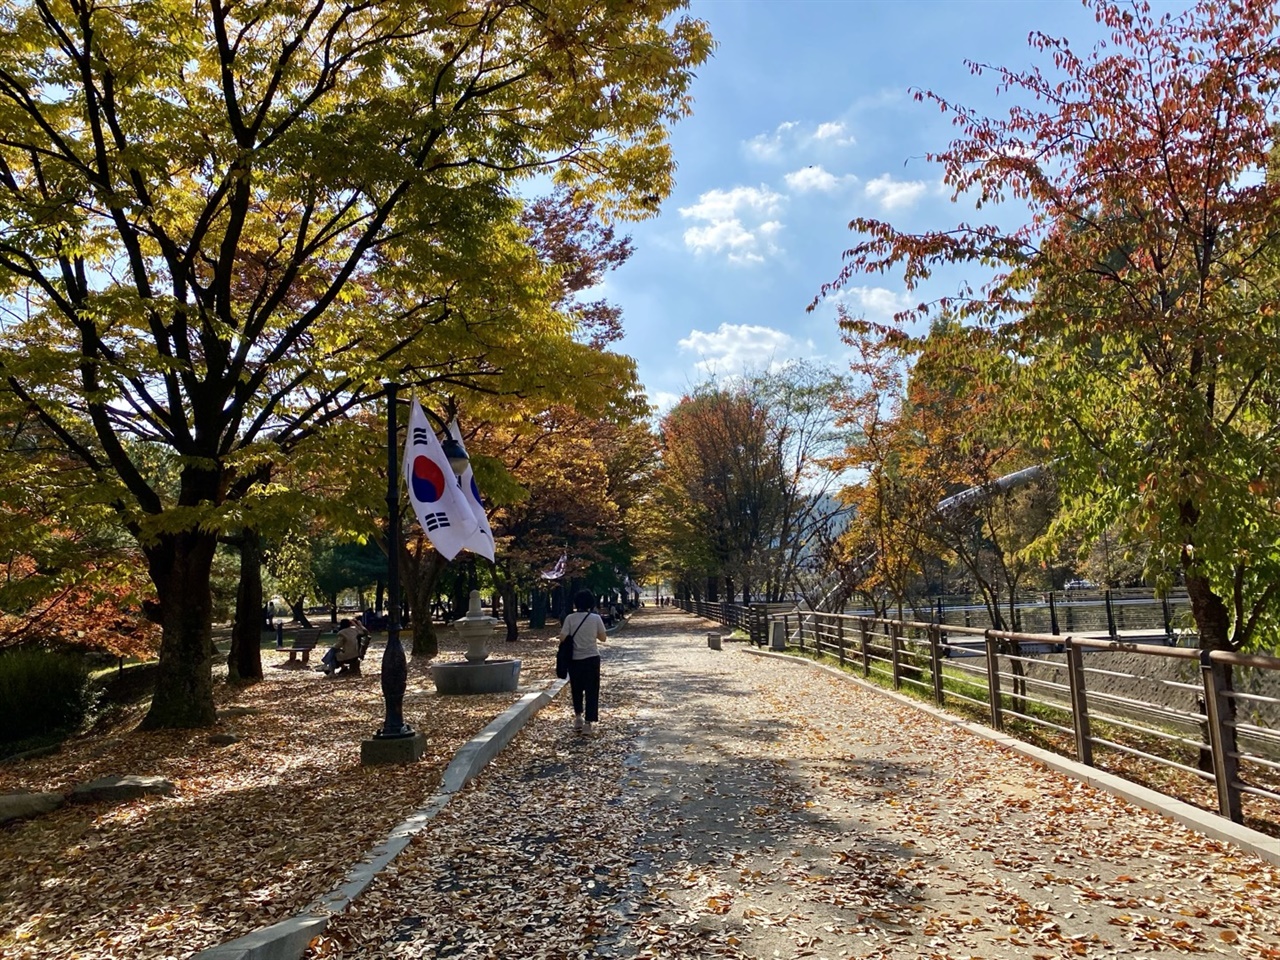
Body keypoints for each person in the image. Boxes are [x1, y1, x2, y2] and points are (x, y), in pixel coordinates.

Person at [559, 588, 608, 736]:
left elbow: (562, 637)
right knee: (592, 690)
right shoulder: (595, 618)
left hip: (575, 660)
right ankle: (588, 723)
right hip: (592, 658)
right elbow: (603, 638)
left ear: (576, 603)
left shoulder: (570, 618)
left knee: (577, 689)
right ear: (590, 603)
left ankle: (578, 717)